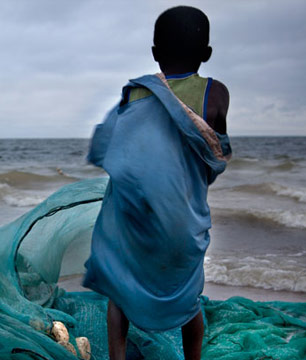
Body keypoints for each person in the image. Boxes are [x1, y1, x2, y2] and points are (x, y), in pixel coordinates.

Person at [81, 6, 231, 360]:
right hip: (182, 220)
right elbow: (216, 145)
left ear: (154, 53)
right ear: (207, 54)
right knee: (188, 295)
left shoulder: (135, 94)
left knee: (120, 289)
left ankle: (116, 356)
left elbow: (118, 148)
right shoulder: (216, 93)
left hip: (135, 220)